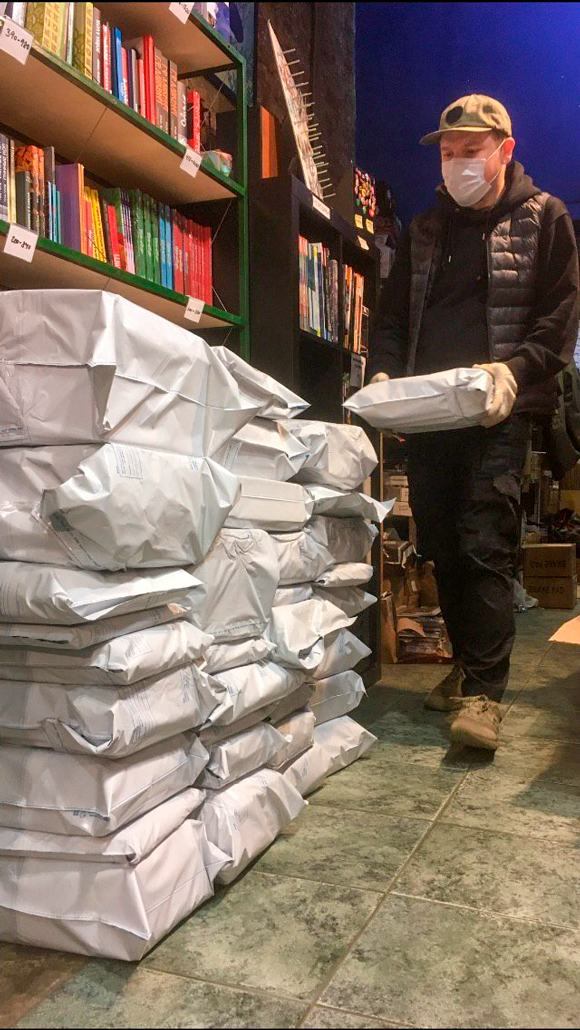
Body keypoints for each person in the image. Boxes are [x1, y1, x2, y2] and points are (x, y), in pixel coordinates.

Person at [368, 94, 579, 751]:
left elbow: (559, 320)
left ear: (504, 151)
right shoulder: (426, 230)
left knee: (484, 540)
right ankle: (466, 665)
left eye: (471, 150)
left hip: (497, 410)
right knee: (440, 543)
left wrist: (514, 371)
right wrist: (385, 373)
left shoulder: (545, 218)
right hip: (431, 413)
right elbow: (392, 316)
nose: (456, 161)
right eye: (448, 152)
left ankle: (486, 695)